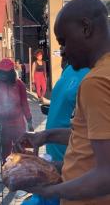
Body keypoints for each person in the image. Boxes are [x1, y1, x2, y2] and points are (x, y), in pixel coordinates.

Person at [14, 0, 110, 205]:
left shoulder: (96, 81)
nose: (63, 51)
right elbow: (90, 138)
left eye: (64, 42)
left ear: (86, 28)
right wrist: (45, 136)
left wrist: (50, 191)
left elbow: (106, 175)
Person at [22, 48, 90, 205]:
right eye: (60, 44)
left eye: (66, 41)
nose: (62, 51)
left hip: (73, 167)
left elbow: (98, 162)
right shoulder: (69, 69)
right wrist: (42, 137)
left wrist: (52, 186)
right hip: (57, 161)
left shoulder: (95, 77)